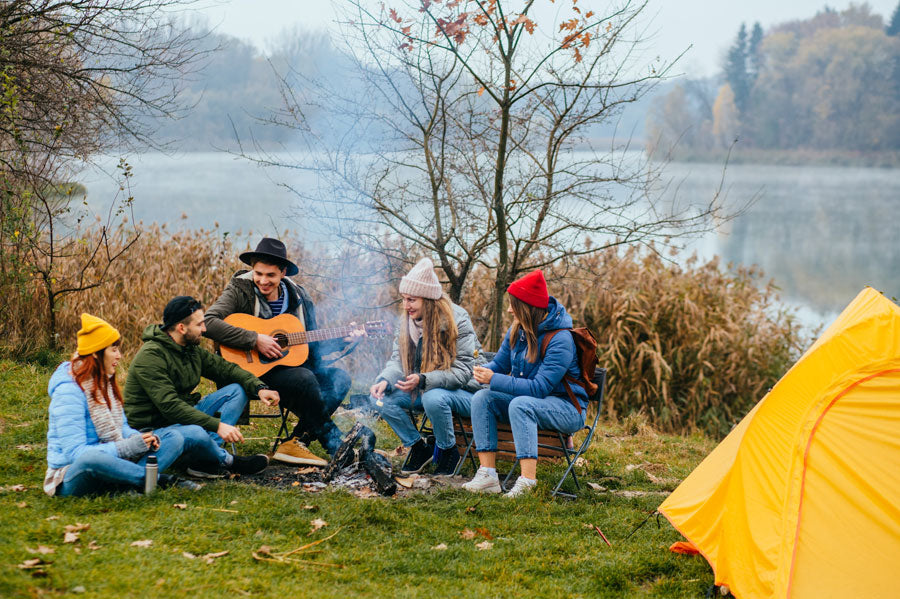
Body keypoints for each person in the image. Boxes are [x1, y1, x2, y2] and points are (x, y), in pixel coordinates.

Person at [203, 238, 361, 466]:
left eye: (270, 275)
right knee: (305, 378)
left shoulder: (300, 297)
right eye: (258, 273)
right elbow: (209, 322)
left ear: (283, 272)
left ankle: (296, 441)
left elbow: (309, 344)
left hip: (289, 370)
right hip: (250, 369)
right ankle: (334, 443)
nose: (262, 281)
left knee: (339, 378)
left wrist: (341, 341)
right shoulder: (240, 289)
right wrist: (255, 339)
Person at [45, 314, 215, 496]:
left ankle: (127, 485)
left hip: (115, 458)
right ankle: (158, 480)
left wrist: (139, 440)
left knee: (173, 437)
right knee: (91, 458)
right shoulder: (68, 391)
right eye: (114, 350)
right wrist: (126, 448)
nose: (119, 356)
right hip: (73, 474)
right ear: (95, 353)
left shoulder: (104, 382)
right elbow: (75, 453)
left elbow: (122, 427)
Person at [462, 270, 588, 498]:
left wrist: (494, 380)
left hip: (567, 409)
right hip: (532, 401)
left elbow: (539, 388)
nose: (509, 310)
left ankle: (528, 481)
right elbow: (498, 366)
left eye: (513, 305)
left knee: (521, 405)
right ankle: (488, 475)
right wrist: (478, 373)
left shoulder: (560, 339)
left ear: (528, 308)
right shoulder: (517, 331)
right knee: (483, 398)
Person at [124, 296, 275, 477]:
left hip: (182, 415)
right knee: (195, 430)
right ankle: (225, 460)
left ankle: (203, 460)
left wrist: (259, 387)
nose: (204, 329)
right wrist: (217, 426)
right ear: (182, 328)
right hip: (154, 427)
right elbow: (170, 407)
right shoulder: (151, 356)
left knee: (237, 390)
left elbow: (227, 369)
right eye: (200, 325)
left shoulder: (190, 349)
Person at [370, 258, 485, 475]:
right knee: (379, 399)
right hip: (427, 387)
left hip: (466, 391)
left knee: (433, 397)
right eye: (404, 299)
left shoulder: (456, 320)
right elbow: (397, 360)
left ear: (429, 300)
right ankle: (419, 447)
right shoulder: (407, 322)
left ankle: (448, 450)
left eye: (412, 300)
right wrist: (384, 379)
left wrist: (423, 379)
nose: (406, 306)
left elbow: (462, 372)